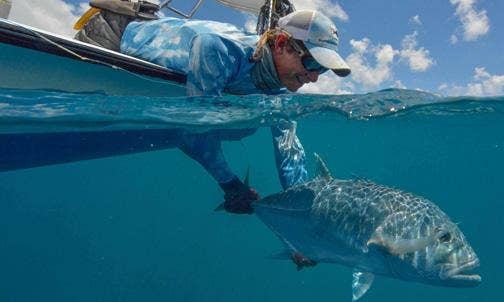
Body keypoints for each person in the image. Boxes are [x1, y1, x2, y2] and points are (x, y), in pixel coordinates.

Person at [74, 6, 351, 214]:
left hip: (159, 42)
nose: (314, 77)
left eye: (322, 69)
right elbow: (193, 132)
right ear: (280, 45)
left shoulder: (278, 91)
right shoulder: (219, 50)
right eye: (312, 64)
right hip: (113, 34)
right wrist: (231, 186)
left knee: (243, 124)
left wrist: (302, 212)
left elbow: (290, 152)